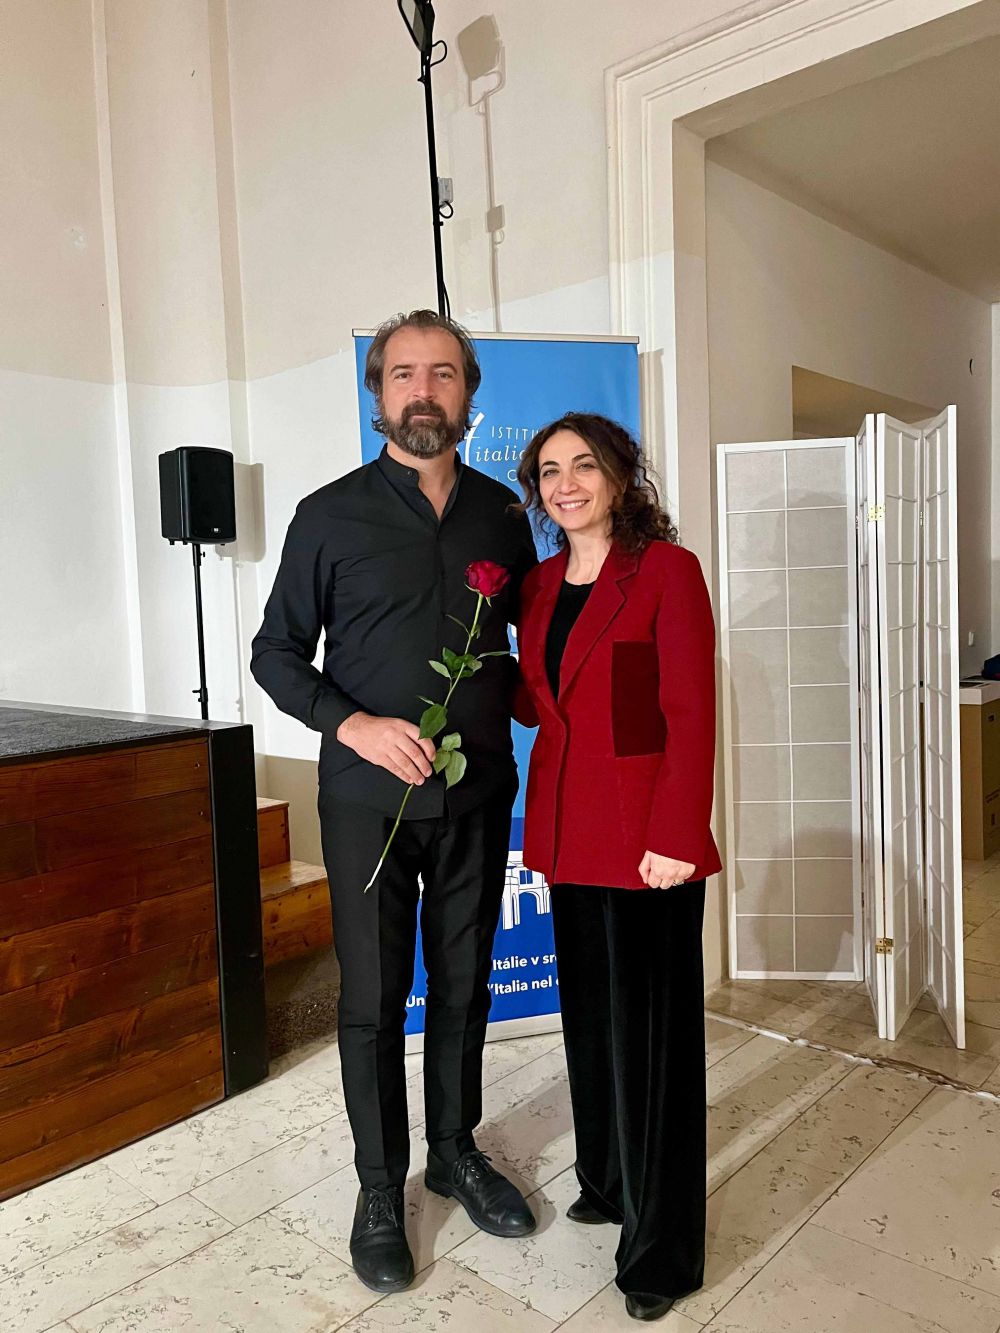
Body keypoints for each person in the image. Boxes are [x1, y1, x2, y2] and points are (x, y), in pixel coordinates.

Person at [251, 310, 538, 1294]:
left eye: (443, 373)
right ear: (377, 392)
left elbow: (530, 647)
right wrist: (355, 724)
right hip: (365, 803)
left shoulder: (504, 516)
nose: (423, 390)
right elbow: (276, 654)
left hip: (478, 791)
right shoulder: (326, 515)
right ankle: (381, 1189)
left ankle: (455, 1151)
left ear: (469, 394)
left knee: (465, 983)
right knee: (372, 1001)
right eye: (404, 373)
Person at [513, 413, 721, 1323]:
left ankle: (660, 1250)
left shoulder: (667, 571)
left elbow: (690, 709)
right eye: (549, 471)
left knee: (654, 1053)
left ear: (620, 476)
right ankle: (604, 1180)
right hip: (568, 838)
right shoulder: (538, 585)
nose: (566, 484)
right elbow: (538, 700)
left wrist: (677, 832)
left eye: (583, 466)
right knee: (592, 1027)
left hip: (648, 849)